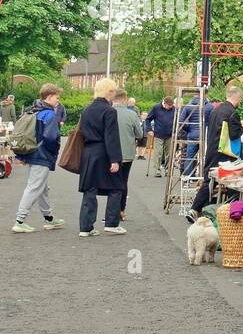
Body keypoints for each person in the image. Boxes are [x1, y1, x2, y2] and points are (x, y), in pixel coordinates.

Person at [11, 83, 66, 233]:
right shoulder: (49, 114)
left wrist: (21, 155)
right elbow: (51, 138)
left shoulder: (32, 111)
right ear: (49, 96)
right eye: (56, 97)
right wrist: (53, 152)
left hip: (31, 152)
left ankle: (49, 219)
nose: (58, 101)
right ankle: (20, 220)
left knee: (42, 187)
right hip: (42, 155)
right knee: (34, 187)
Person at [186, 85, 243, 221]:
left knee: (209, 180)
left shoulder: (215, 110)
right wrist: (242, 127)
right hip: (225, 153)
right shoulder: (232, 112)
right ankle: (229, 213)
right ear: (237, 97)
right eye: (240, 99)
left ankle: (195, 209)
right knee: (231, 182)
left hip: (212, 148)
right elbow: (234, 134)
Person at [76, 78, 125, 236]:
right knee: (117, 188)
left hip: (89, 152)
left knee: (89, 190)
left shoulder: (86, 110)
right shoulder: (109, 111)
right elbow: (111, 137)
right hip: (104, 152)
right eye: (113, 91)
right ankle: (111, 223)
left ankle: (85, 227)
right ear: (109, 92)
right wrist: (115, 159)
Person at [113, 89, 145, 221]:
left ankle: (110, 212)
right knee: (123, 182)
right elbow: (140, 134)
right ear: (125, 99)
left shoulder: (107, 112)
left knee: (111, 182)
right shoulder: (132, 114)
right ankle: (121, 211)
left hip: (110, 154)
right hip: (127, 153)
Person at [145, 97, 177, 177]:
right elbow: (148, 119)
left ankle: (167, 171)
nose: (170, 107)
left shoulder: (174, 109)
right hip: (158, 134)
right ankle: (157, 171)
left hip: (170, 135)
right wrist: (149, 129)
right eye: (169, 105)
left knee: (169, 154)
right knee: (158, 153)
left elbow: (177, 120)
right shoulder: (156, 108)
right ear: (164, 103)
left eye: (171, 105)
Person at [178, 94, 206, 176]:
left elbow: (180, 122)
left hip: (192, 135)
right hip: (203, 135)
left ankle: (188, 176)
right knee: (203, 156)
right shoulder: (206, 107)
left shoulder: (187, 107)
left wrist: (188, 129)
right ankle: (202, 176)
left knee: (189, 157)